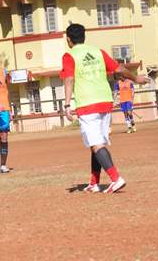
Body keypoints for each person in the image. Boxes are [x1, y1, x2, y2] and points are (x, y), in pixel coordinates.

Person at [61, 24, 148, 193]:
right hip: (105, 102)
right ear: (84, 37)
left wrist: (66, 104)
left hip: (88, 104)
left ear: (68, 40)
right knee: (97, 143)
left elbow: (69, 79)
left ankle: (116, 178)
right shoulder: (98, 52)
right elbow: (119, 69)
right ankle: (94, 182)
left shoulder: (69, 55)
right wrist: (136, 78)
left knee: (96, 144)